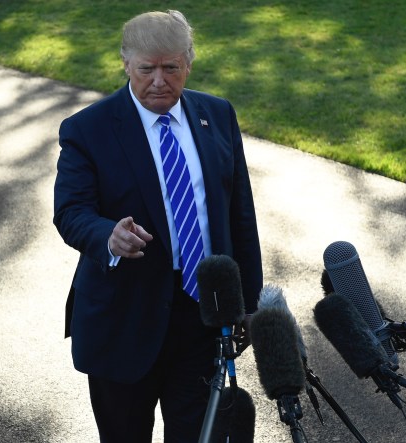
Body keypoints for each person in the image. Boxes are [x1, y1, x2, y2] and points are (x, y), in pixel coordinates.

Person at [53, 9, 263, 443]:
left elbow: (239, 212)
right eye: (146, 69)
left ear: (189, 62)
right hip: (124, 320)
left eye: (171, 68)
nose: (159, 80)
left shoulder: (218, 115)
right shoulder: (88, 129)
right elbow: (71, 211)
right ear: (126, 63)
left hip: (202, 317)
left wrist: (248, 300)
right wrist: (107, 235)